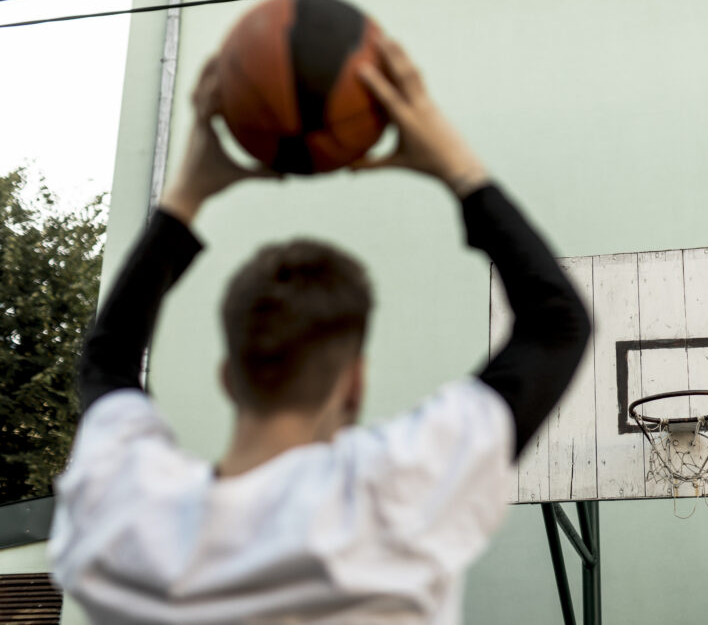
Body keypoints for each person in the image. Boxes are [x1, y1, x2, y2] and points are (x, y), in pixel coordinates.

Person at [47, 36, 591, 624]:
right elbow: (557, 322)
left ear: (228, 377)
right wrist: (453, 163)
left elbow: (105, 363)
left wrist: (185, 193)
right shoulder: (393, 499)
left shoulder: (127, 516)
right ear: (354, 384)